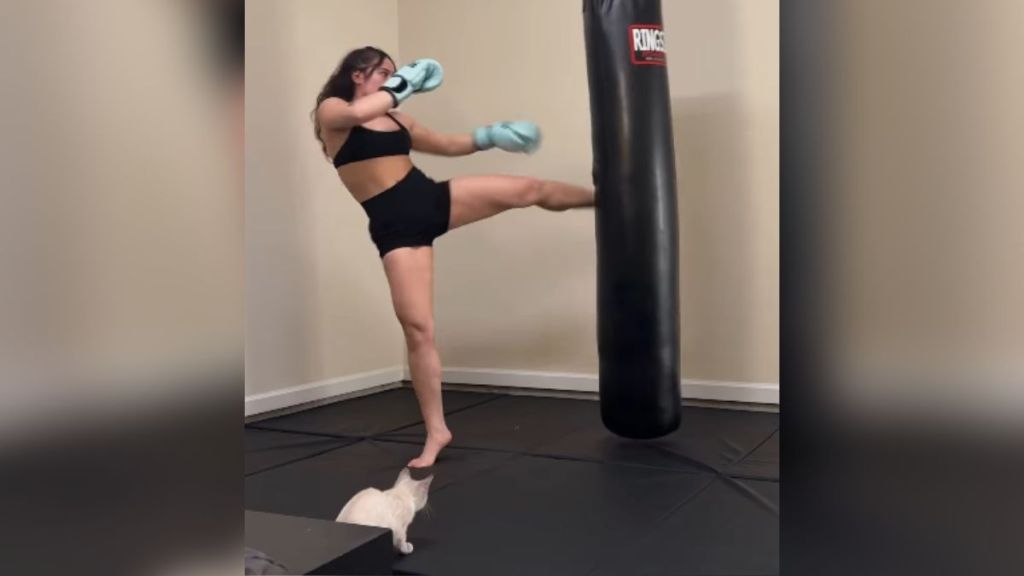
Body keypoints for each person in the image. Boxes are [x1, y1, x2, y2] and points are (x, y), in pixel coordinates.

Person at [312, 46, 595, 467]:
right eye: (384, 72)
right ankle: (437, 432)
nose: (392, 78)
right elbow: (357, 115)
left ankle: (604, 199)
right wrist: (403, 82)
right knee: (419, 330)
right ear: (358, 74)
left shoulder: (396, 117)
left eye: (395, 73)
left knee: (528, 189)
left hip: (430, 198)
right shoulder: (332, 111)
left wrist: (491, 136)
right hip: (397, 229)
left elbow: (446, 144)